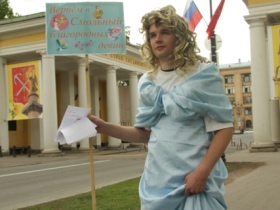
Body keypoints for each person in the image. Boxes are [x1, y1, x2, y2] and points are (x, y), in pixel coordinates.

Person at [89, 5, 233, 210]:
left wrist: (202, 172)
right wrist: (104, 127)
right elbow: (145, 133)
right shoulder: (147, 81)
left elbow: (224, 128)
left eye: (165, 32)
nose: (157, 38)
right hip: (157, 182)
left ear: (180, 37)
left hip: (193, 181)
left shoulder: (203, 74)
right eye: (152, 35)